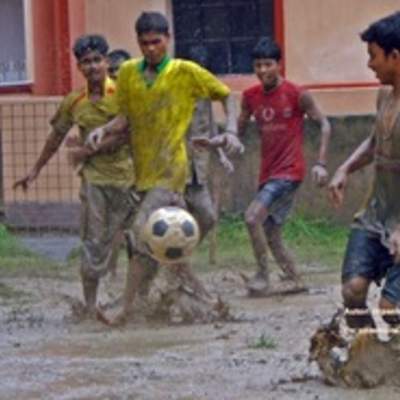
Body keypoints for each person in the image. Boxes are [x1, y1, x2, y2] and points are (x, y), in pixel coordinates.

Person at [87, 11, 243, 324]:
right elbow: (124, 118)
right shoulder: (129, 73)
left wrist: (231, 132)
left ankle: (127, 307)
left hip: (174, 169)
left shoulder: (185, 71)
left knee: (144, 230)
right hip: (145, 172)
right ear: (138, 43)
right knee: (160, 238)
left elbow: (226, 97)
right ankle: (184, 291)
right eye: (144, 43)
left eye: (156, 42)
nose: (151, 49)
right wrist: (104, 130)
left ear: (167, 40)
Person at [13, 34, 137, 318]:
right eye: (86, 62)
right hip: (94, 183)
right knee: (92, 243)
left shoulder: (123, 94)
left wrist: (86, 151)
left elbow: (129, 133)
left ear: (107, 62)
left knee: (136, 241)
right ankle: (91, 305)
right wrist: (35, 170)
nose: (93, 67)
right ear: (79, 67)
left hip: (128, 178)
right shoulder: (74, 102)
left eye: (97, 60)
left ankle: (135, 300)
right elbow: (55, 137)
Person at [237, 37, 331, 295]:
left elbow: (324, 124)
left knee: (251, 217)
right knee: (271, 231)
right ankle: (294, 278)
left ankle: (262, 276)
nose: (262, 71)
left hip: (290, 172)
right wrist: (220, 144)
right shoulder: (250, 97)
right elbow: (238, 131)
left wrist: (321, 163)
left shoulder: (297, 94)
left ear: (279, 64)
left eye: (268, 64)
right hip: (268, 173)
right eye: (257, 65)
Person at [329, 11, 400, 330]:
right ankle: (371, 355)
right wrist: (344, 169)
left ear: (395, 57)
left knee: (391, 309)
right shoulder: (384, 95)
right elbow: (374, 142)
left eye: (373, 56)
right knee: (352, 292)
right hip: (374, 215)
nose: (369, 65)